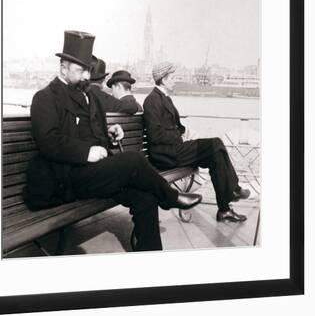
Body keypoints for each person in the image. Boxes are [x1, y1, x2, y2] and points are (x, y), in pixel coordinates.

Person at [25, 31, 202, 252]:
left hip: (92, 174)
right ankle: (171, 197)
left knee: (145, 196)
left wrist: (108, 132)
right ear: (63, 67)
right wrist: (87, 152)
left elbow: (84, 129)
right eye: (80, 71)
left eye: (88, 71)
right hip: (66, 180)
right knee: (134, 160)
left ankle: (152, 258)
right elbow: (48, 141)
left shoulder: (87, 94)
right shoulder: (45, 98)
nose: (86, 77)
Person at [143, 61, 251, 223]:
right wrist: (178, 137)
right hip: (166, 154)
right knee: (216, 144)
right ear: (164, 79)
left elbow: (176, 128)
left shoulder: (162, 98)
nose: (176, 80)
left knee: (216, 156)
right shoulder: (152, 100)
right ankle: (234, 190)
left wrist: (178, 134)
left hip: (173, 149)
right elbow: (154, 135)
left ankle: (224, 210)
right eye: (173, 77)